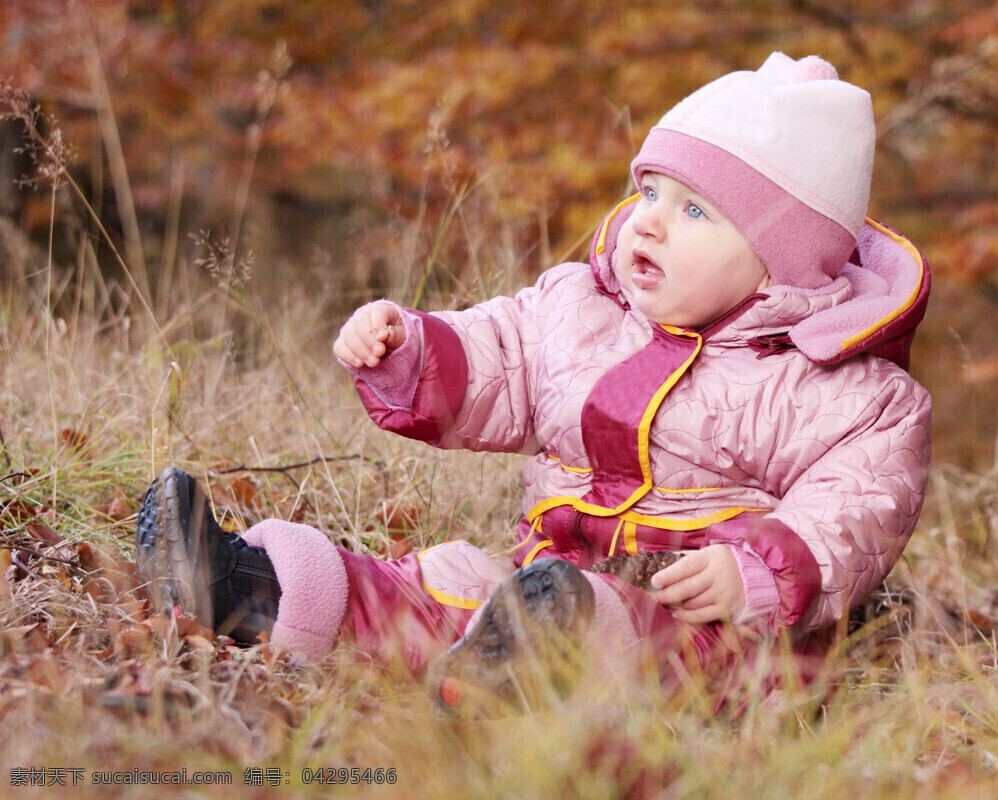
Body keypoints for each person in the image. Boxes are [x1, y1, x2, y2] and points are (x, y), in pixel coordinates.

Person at [136, 53, 932, 714]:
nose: (647, 221)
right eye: (649, 191)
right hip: (550, 582)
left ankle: (520, 675)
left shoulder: (841, 391)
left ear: (783, 263)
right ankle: (248, 584)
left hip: (718, 637)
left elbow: (856, 509)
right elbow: (497, 357)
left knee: (627, 640)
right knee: (452, 581)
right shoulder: (581, 310)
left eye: (695, 212)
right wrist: (407, 348)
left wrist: (756, 571)